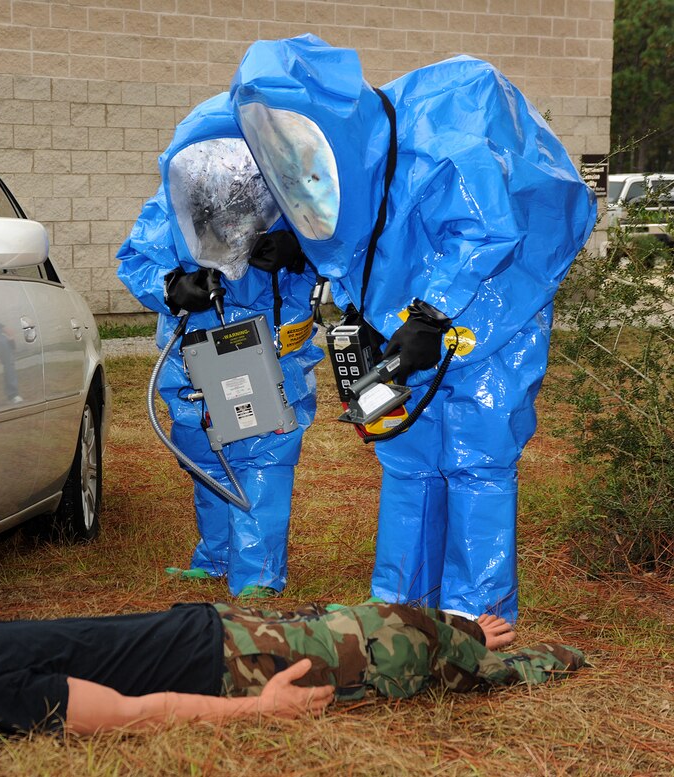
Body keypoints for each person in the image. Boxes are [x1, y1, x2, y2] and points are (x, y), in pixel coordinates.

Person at [227, 35, 597, 622]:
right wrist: (359, 315)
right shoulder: (348, 163)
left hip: (499, 305)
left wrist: (432, 313)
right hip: (409, 317)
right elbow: (352, 244)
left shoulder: (444, 144)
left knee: (476, 459)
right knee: (409, 459)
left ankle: (476, 620)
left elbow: (489, 232)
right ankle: (401, 608)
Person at [0, 599, 585, 754]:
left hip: (221, 629)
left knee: (377, 621)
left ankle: (461, 637)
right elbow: (128, 714)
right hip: (229, 663)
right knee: (399, 642)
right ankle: (512, 661)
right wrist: (263, 710)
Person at [117, 92, 324, 598]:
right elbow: (136, 260)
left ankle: (256, 579)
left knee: (263, 455)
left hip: (267, 347)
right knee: (204, 452)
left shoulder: (296, 202)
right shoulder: (169, 205)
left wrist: (303, 252)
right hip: (192, 354)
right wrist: (172, 287)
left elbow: (343, 255)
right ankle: (216, 557)